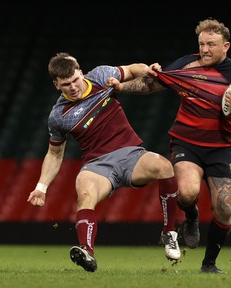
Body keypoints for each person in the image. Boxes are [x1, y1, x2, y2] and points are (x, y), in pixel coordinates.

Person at [108, 18, 231, 273]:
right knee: (186, 194)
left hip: (221, 148)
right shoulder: (185, 64)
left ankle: (209, 264)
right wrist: (122, 87)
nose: (205, 49)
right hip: (186, 143)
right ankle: (192, 216)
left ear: (226, 46)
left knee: (224, 210)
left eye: (211, 44)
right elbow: (151, 83)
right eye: (201, 44)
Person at [27, 52, 181, 272]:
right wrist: (41, 187)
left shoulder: (100, 76)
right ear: (56, 85)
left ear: (80, 72)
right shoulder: (59, 115)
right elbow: (54, 154)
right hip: (98, 165)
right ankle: (87, 252)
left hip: (130, 154)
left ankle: (169, 233)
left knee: (164, 166)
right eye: (66, 84)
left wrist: (147, 69)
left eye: (75, 80)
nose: (72, 87)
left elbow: (133, 68)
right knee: (85, 192)